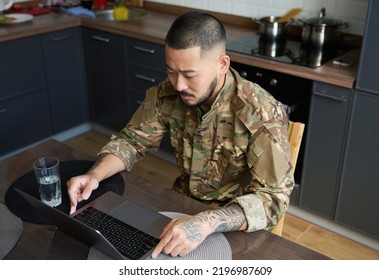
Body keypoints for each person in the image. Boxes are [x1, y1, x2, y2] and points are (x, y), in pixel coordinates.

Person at [67, 11, 294, 258]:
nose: (178, 85)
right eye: (171, 71)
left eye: (189, 74)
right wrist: (94, 175)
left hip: (236, 225)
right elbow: (132, 141)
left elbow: (274, 199)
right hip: (181, 207)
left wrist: (207, 221)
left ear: (222, 64)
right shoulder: (167, 94)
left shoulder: (260, 113)